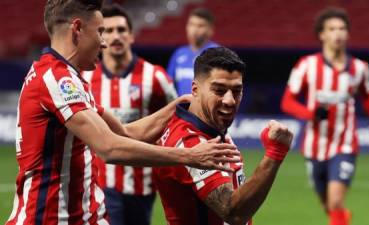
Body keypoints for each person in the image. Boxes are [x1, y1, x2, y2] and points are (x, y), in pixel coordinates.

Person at [6, 1, 240, 224]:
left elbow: (125, 133)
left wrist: (172, 109)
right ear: (77, 29)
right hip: (50, 218)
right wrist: (189, 156)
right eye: (100, 32)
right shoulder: (56, 80)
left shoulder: (69, 79)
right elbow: (109, 147)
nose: (104, 42)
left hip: (84, 216)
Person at [155, 46, 293, 225]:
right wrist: (275, 154)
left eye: (236, 91)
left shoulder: (212, 127)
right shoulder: (191, 143)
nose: (229, 100)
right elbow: (233, 212)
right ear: (195, 90)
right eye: (219, 90)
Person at [280, 7, 369, 225]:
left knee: (336, 201)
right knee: (328, 204)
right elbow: (287, 102)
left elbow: (368, 96)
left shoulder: (359, 68)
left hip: (345, 143)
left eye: (342, 28)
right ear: (322, 34)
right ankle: (342, 219)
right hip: (314, 145)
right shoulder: (306, 65)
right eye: (332, 29)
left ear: (347, 33)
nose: (337, 33)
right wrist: (310, 114)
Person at [82, 4, 177, 225]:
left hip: (142, 183)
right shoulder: (84, 78)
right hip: (100, 182)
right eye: (108, 30)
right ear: (100, 37)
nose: (116, 36)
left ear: (131, 36)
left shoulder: (155, 76)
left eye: (121, 30)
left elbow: (176, 117)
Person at [167, 7, 218, 96]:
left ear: (210, 30)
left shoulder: (217, 53)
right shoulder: (179, 54)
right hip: (182, 108)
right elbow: (168, 85)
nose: (194, 29)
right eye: (191, 24)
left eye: (200, 26)